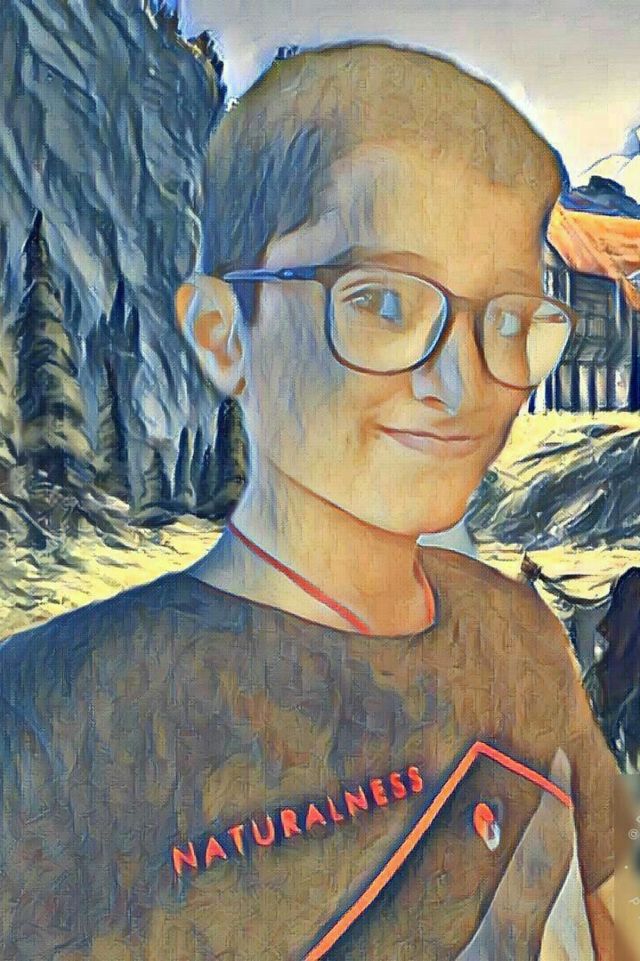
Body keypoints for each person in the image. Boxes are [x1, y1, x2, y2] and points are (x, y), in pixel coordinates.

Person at [0, 42, 636, 961]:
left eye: (505, 318)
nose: (463, 383)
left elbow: (616, 895)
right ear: (224, 333)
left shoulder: (520, 633)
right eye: (382, 302)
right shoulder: (45, 720)